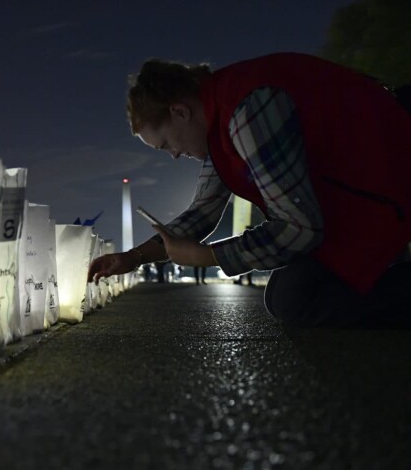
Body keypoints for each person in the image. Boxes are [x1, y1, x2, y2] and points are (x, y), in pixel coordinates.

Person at [88, 53, 411, 328]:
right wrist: (133, 257)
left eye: (166, 144)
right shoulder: (222, 118)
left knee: (293, 299)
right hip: (357, 203)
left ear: (179, 112)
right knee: (287, 294)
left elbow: (300, 227)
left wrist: (209, 256)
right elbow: (202, 212)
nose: (173, 154)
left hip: (389, 184)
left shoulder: (247, 111)